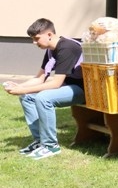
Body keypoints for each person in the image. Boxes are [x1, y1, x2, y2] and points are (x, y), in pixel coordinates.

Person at [3, 18, 85, 160]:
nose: (34, 43)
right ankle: (40, 141)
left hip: (84, 90)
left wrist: (23, 90)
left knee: (43, 97)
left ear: (49, 34)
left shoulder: (68, 47)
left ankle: (51, 146)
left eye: (36, 39)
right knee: (27, 97)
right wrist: (19, 86)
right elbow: (40, 78)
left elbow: (56, 84)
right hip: (69, 86)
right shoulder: (50, 50)